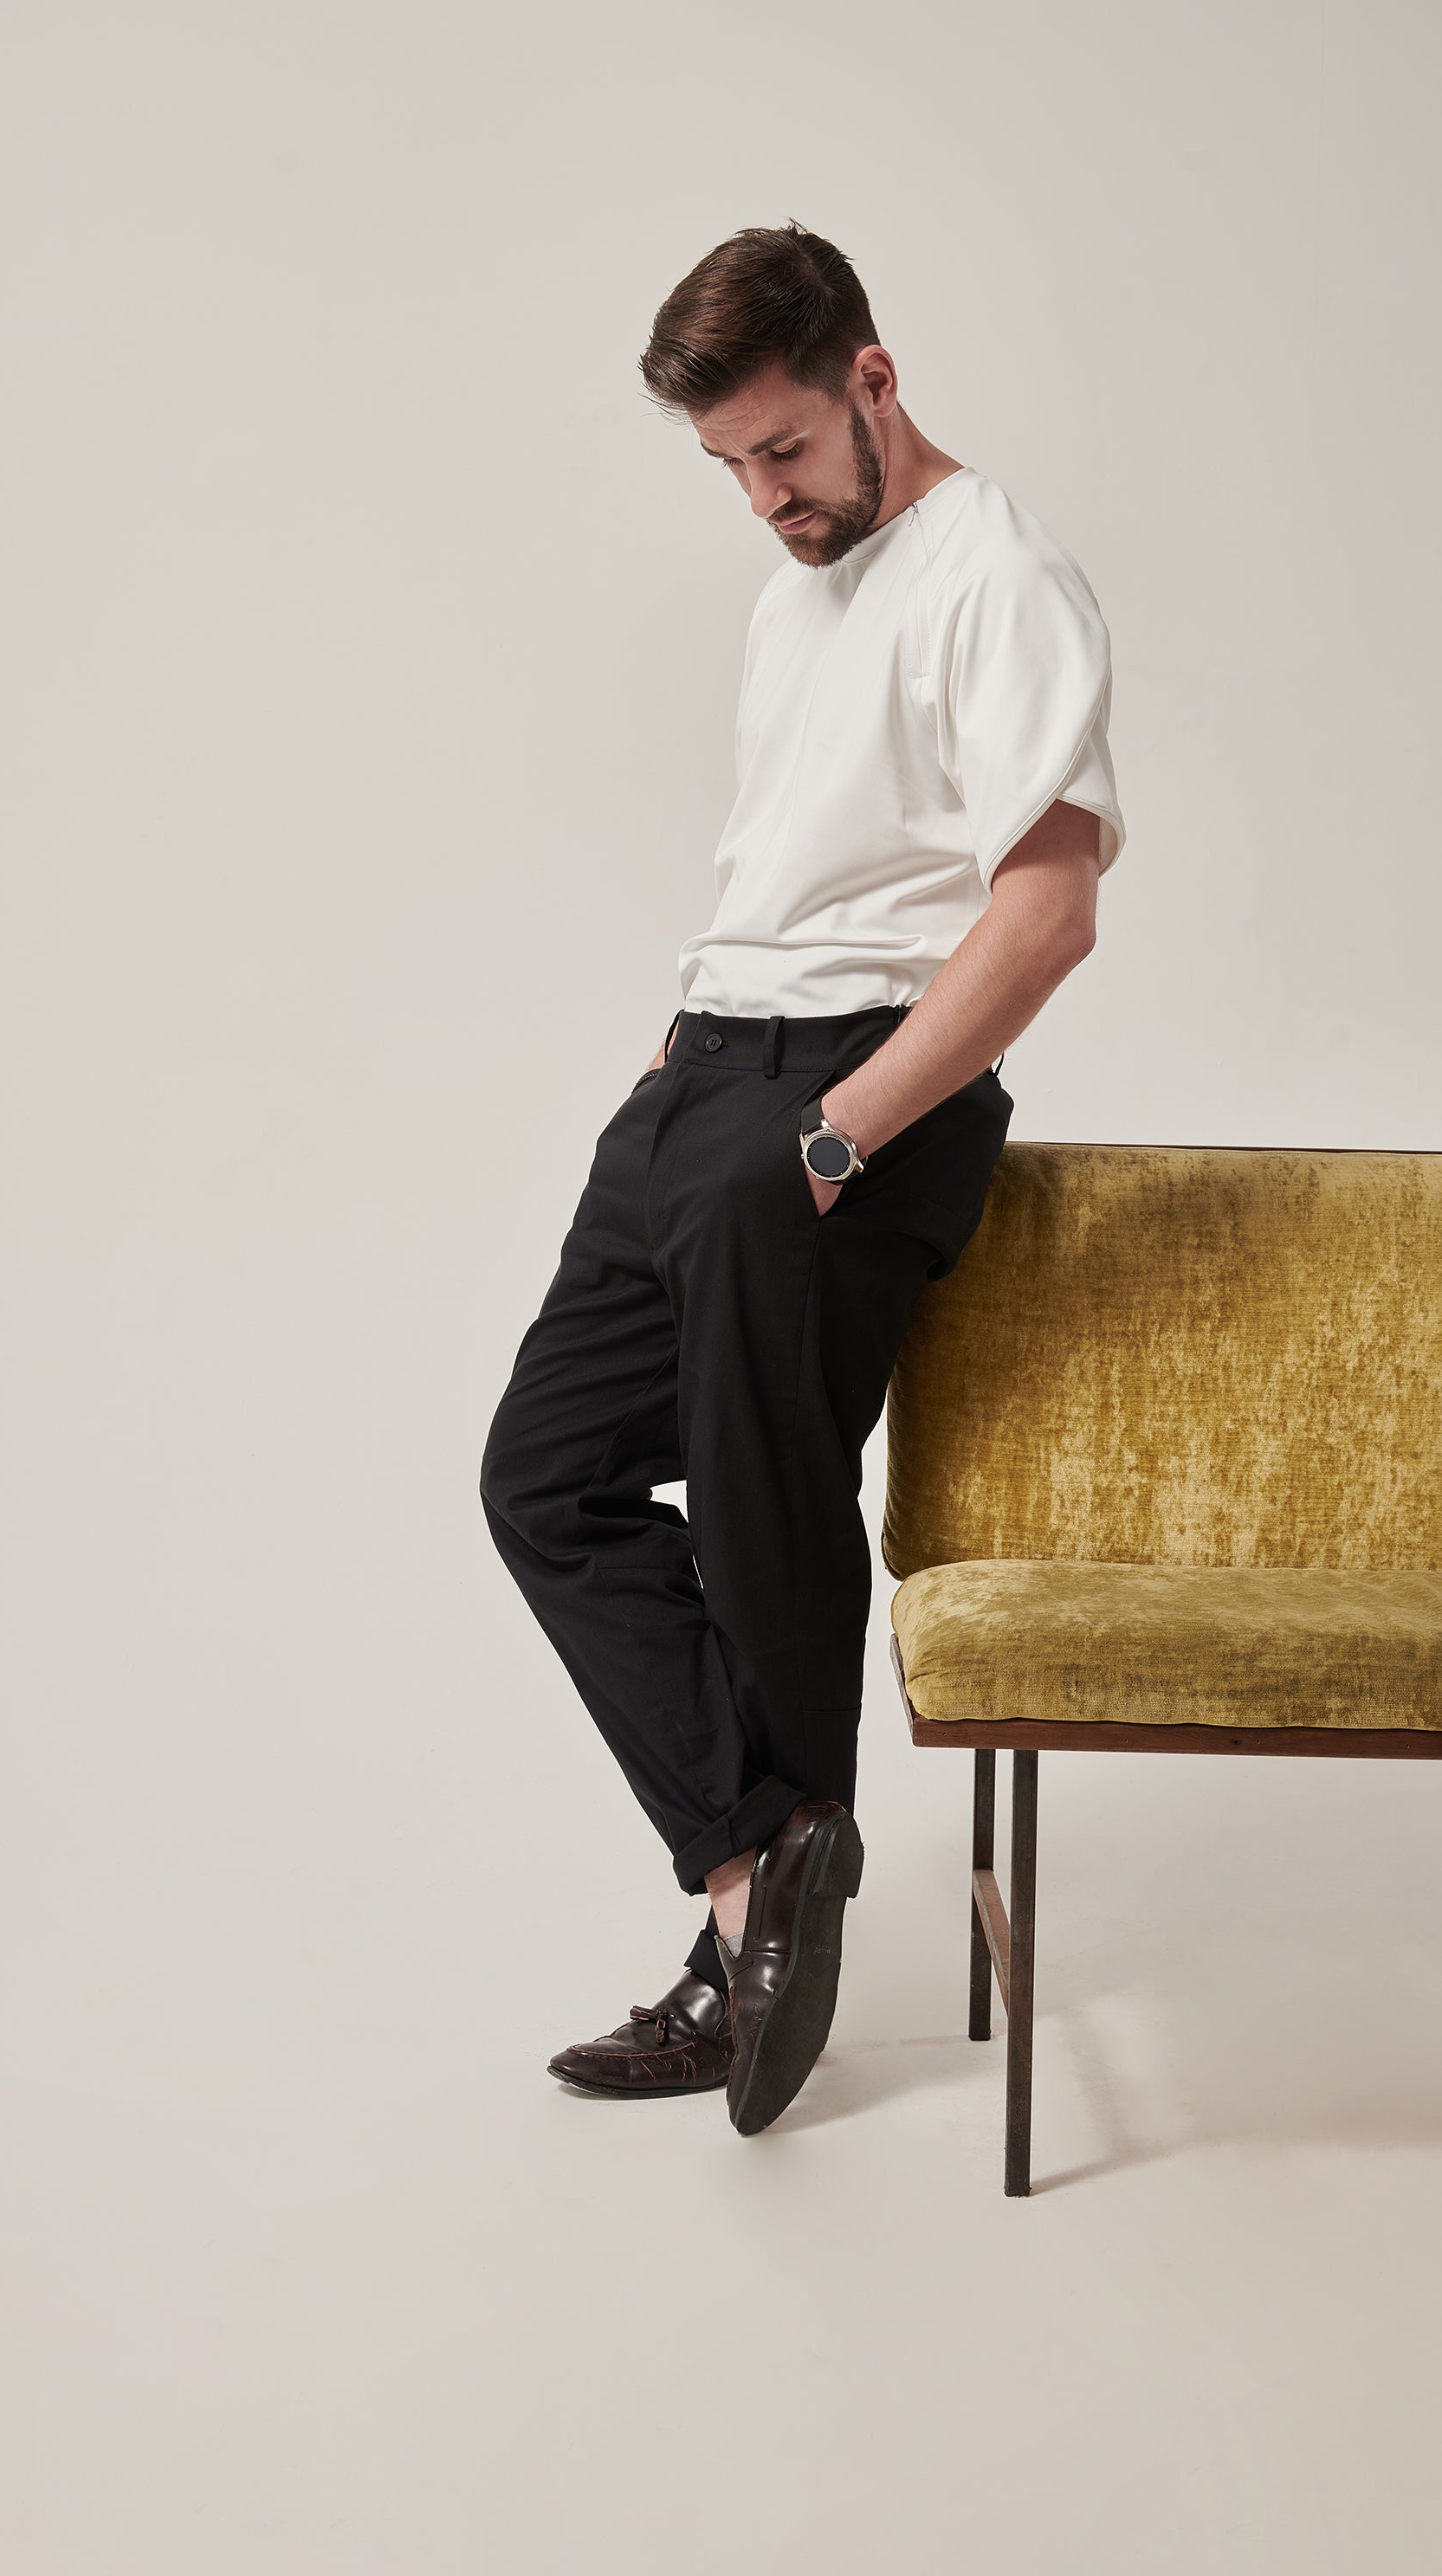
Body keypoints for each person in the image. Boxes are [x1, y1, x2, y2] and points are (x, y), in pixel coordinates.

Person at [480, 222, 1126, 2138]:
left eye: (781, 450)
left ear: (871, 377)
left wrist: (837, 1134)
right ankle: (764, 1870)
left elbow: (1049, 907)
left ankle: (744, 1941)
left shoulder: (993, 570)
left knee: (763, 1501)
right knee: (544, 1474)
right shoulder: (801, 593)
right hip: (705, 1073)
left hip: (853, 1094)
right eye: (729, 469)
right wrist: (682, 1077)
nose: (764, 498)